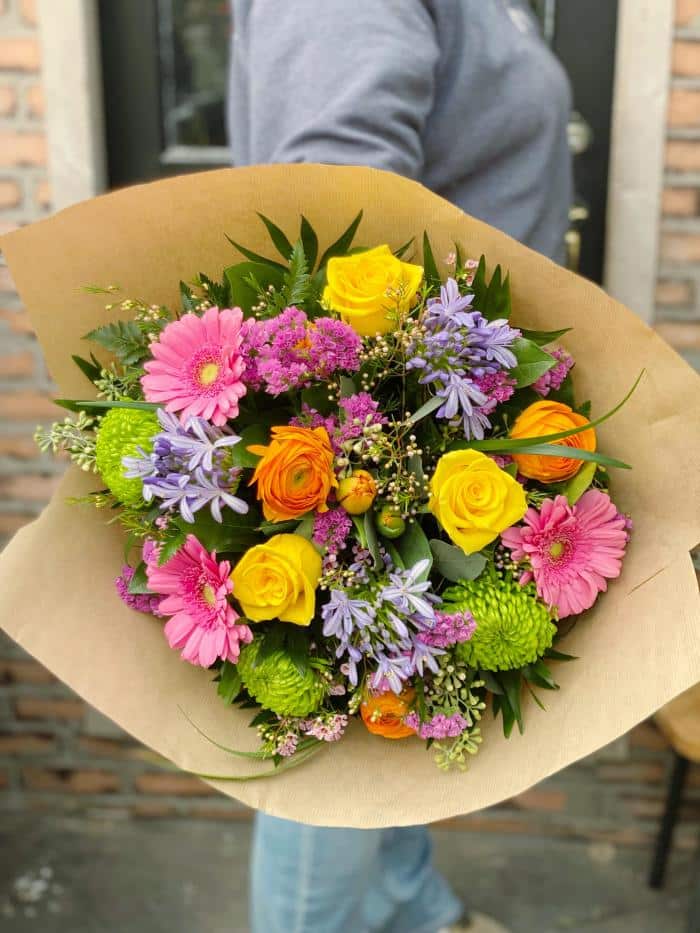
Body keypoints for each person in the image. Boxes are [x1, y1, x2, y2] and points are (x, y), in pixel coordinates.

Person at [227, 2, 573, 931]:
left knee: (391, 699)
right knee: (334, 740)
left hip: (453, 414)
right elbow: (342, 197)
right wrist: (388, 427)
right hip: (399, 427)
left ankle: (406, 902)